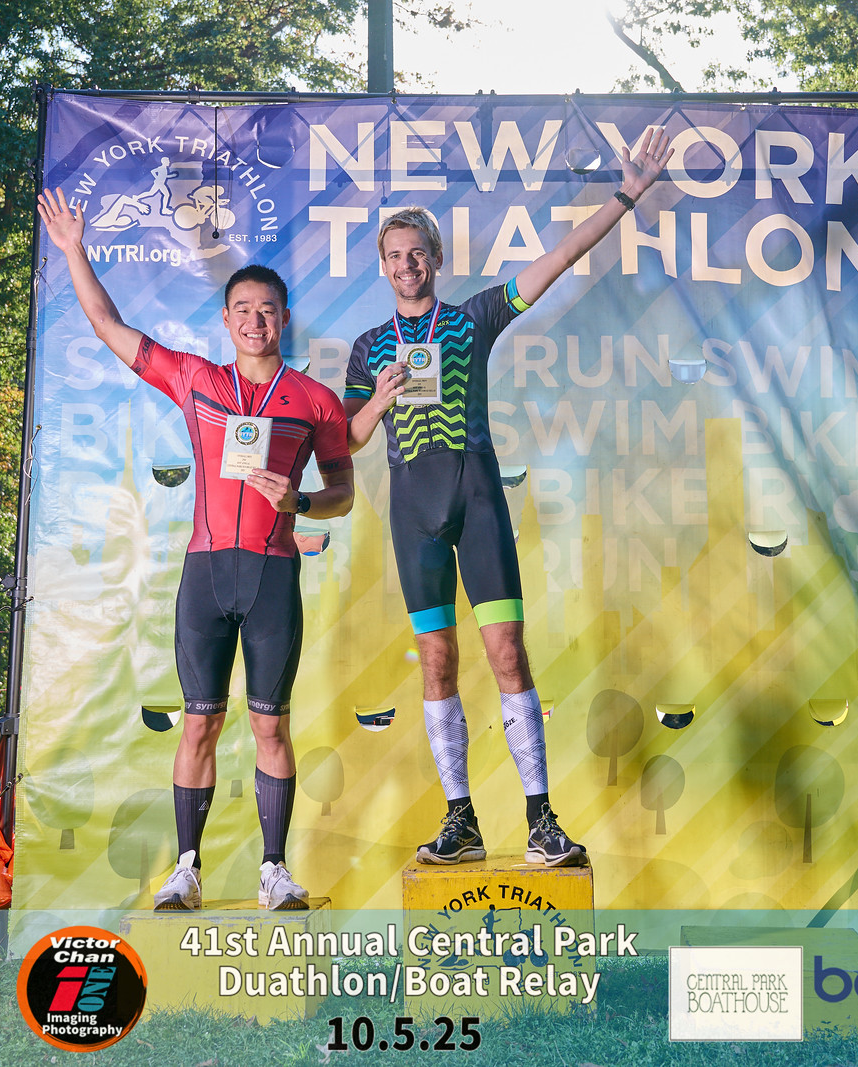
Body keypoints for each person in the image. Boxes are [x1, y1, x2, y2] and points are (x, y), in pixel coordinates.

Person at [342, 128, 674, 867]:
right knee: (436, 662)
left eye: (417, 253)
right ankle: (460, 820)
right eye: (394, 256)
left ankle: (540, 820)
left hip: (479, 499)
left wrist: (626, 196)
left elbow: (558, 260)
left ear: (434, 259)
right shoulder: (368, 348)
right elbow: (351, 437)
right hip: (414, 513)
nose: (406, 265)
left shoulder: (472, 318)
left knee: (507, 654)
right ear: (383, 266)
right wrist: (381, 399)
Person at [38, 187, 355, 911]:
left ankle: (274, 870)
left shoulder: (315, 400)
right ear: (227, 320)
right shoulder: (195, 380)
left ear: (284, 319)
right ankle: (186, 868)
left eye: (267, 310)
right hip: (206, 574)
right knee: (200, 722)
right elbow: (107, 324)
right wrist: (74, 251)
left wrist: (300, 502)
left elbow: (342, 492)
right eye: (243, 309)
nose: (255, 320)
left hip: (273, 573)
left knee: (270, 724)